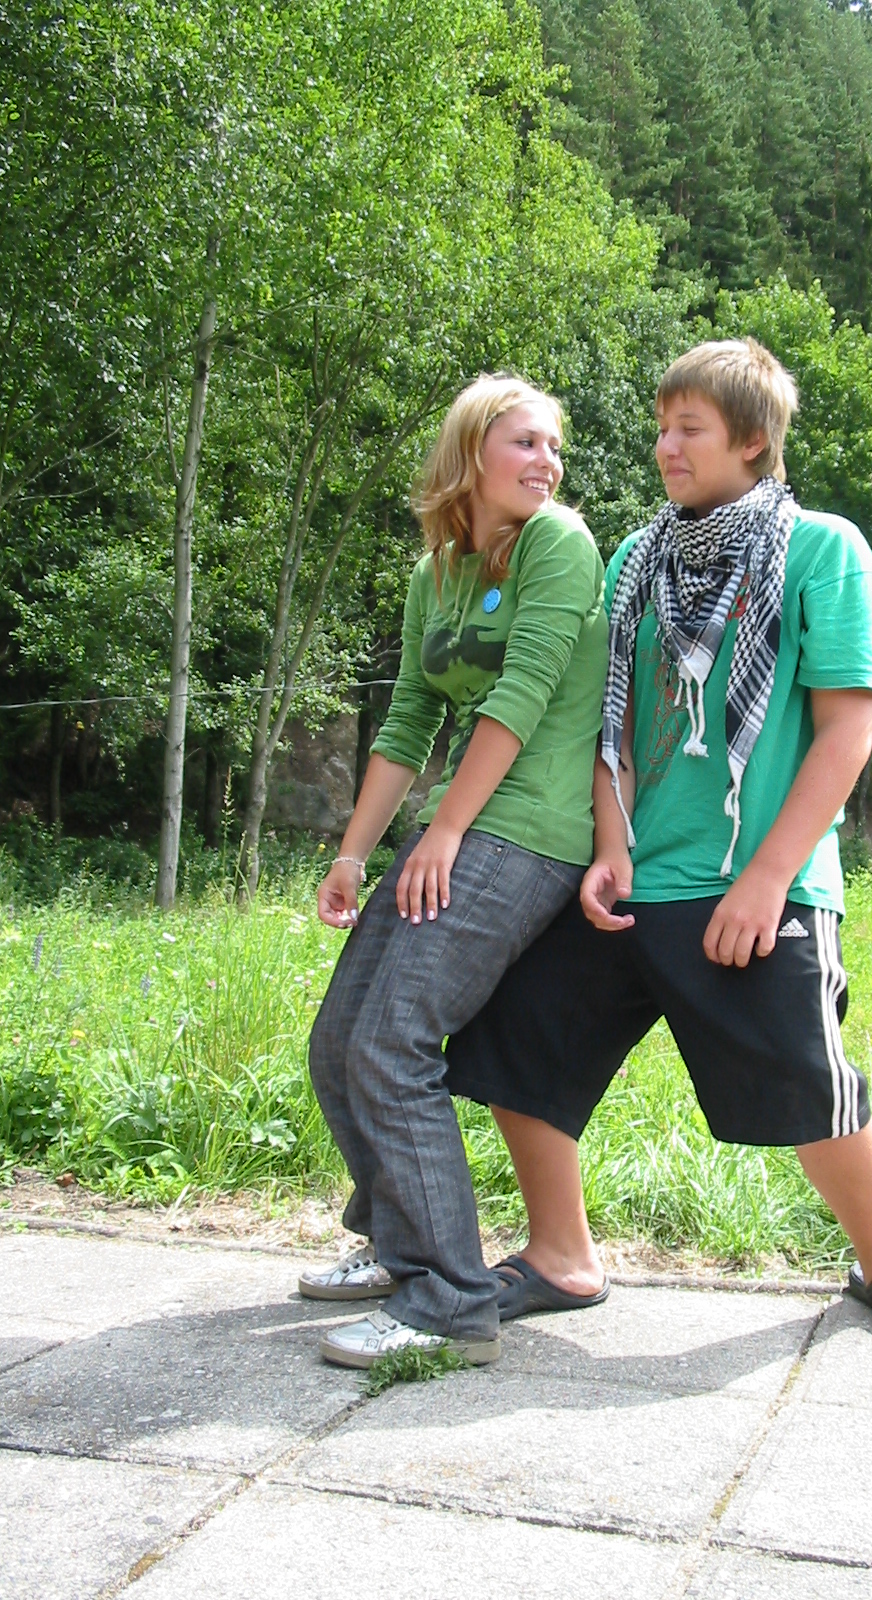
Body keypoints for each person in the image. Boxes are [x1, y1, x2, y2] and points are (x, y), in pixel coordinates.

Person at [446, 338, 872, 1347]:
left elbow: (846, 735)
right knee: (514, 1038)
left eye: (690, 429)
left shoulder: (823, 551)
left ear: (753, 440)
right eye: (662, 427)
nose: (665, 447)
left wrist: (767, 879)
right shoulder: (637, 561)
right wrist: (610, 846)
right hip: (637, 877)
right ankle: (562, 1256)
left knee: (809, 1082)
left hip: (759, 883)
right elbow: (611, 721)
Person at [304, 373, 611, 1371]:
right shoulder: (436, 572)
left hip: (530, 833)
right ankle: (399, 1248)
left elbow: (521, 696)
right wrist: (355, 852)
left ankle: (449, 1300)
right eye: (525, 442)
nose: (546, 462)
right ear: (471, 450)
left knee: (391, 1042)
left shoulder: (558, 543)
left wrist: (442, 834)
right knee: (339, 1041)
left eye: (553, 445)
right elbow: (408, 719)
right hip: (460, 826)